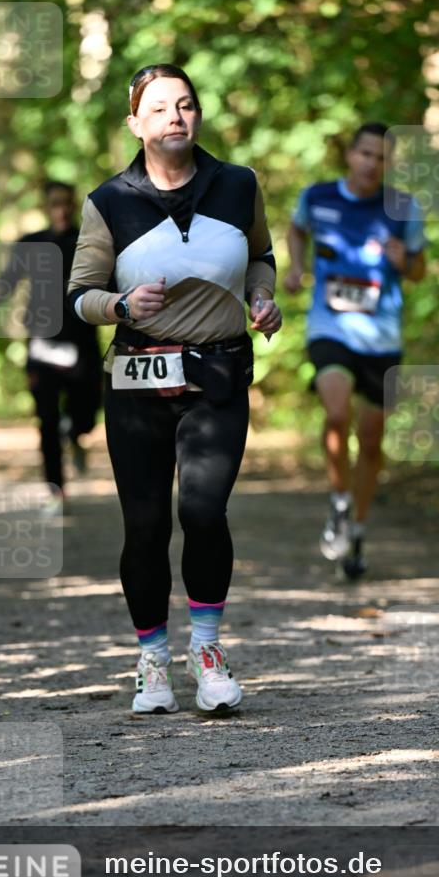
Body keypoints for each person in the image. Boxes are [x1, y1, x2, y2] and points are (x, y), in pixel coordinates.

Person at [67, 64, 281, 714]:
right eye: (159, 107)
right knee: (145, 525)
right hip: (135, 381)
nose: (175, 116)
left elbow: (261, 255)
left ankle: (207, 652)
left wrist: (262, 297)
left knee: (203, 512)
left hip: (216, 375)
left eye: (185, 104)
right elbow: (77, 297)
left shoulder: (238, 185)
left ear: (198, 115)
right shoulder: (109, 201)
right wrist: (122, 306)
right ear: (135, 122)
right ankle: (152, 658)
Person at [285, 123, 426, 579]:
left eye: (382, 157)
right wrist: (296, 267)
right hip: (330, 327)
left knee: (370, 441)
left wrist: (405, 259)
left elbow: (420, 270)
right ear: (350, 155)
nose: (372, 163)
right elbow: (295, 229)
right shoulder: (318, 196)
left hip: (382, 338)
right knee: (336, 410)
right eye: (365, 153)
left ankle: (357, 530)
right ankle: (340, 502)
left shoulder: (403, 208)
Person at [0, 182, 103, 508]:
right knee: (47, 419)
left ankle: (77, 432)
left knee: (87, 411)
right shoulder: (31, 243)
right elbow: (7, 281)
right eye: (55, 203)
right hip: (42, 342)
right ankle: (56, 489)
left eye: (66, 203)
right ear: (46, 206)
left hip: (82, 343)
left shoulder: (88, 242)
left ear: (73, 204)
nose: (61, 210)